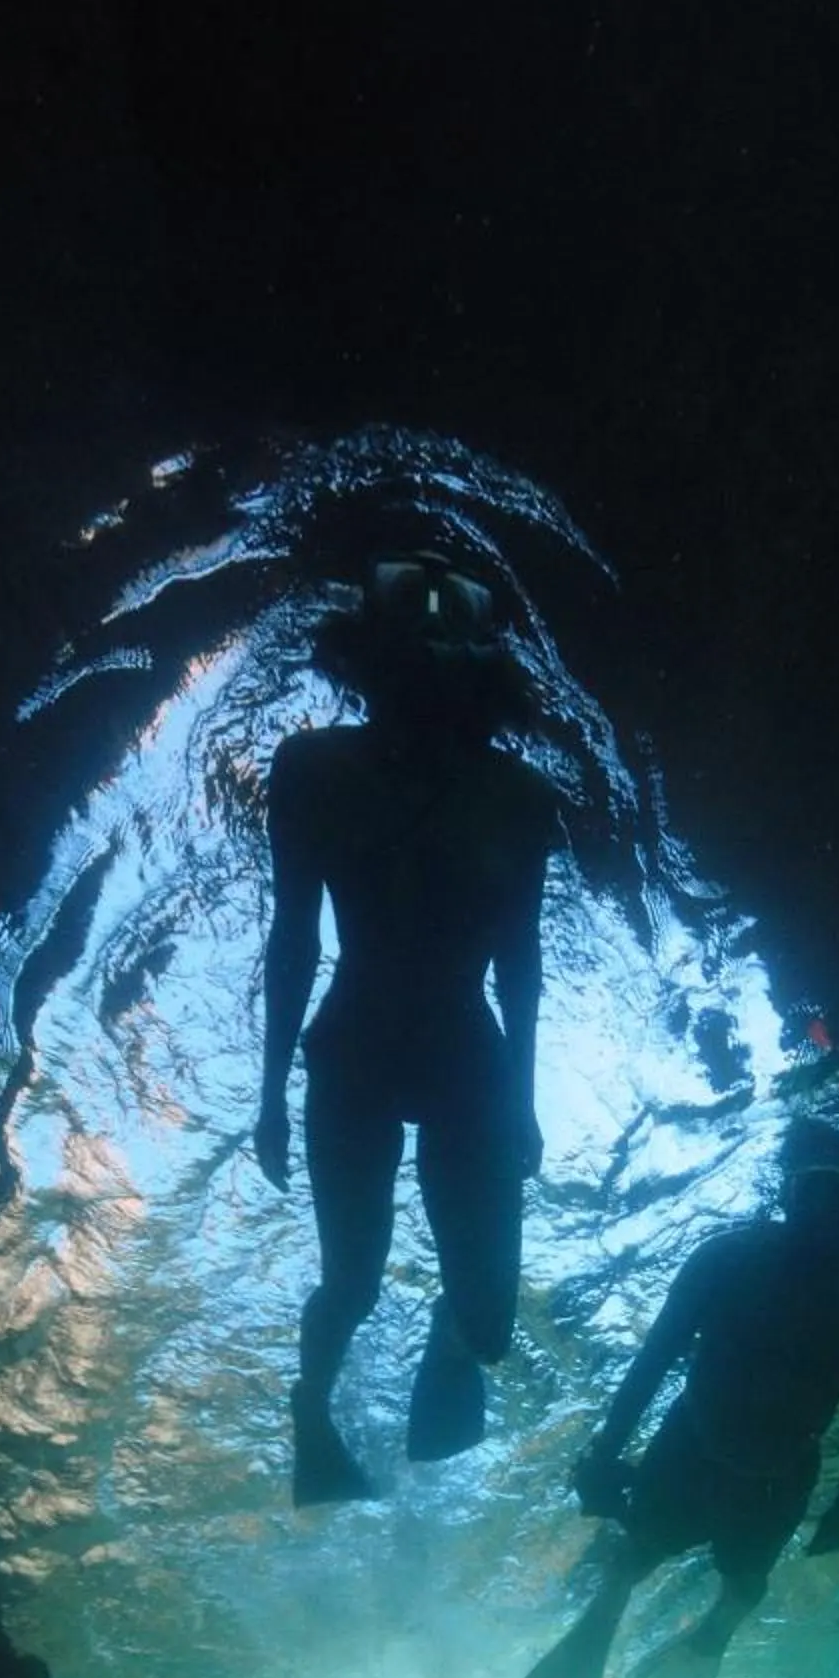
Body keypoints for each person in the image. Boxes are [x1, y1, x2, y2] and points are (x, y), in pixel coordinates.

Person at [479, 1117, 839, 1678]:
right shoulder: (730, 1258)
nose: (822, 1210)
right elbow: (653, 1360)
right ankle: (654, 1625)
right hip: (693, 1453)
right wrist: (603, 1453)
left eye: (838, 1195)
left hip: (772, 1474)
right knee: (631, 1568)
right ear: (788, 1194)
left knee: (733, 1585)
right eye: (812, 1191)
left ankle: (710, 1636)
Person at [255, 556, 560, 1504]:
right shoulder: (314, 769)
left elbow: (521, 960)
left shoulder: (517, 795)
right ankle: (313, 1413)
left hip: (459, 1055)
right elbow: (293, 937)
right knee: (350, 1283)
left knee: (490, 1327)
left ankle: (449, 1340)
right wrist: (269, 1095)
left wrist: (522, 1101)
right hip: (361, 1048)